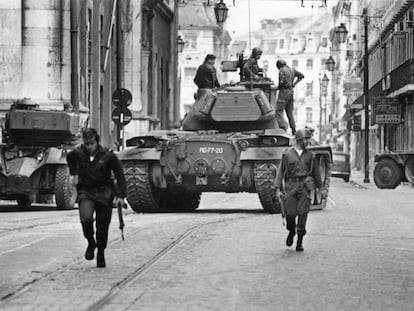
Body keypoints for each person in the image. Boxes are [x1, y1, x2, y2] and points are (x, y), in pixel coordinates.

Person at [66, 128, 127, 268]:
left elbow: (120, 175)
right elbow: (69, 158)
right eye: (86, 143)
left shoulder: (108, 156)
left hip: (104, 193)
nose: (89, 146)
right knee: (86, 219)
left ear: (97, 141)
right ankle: (91, 242)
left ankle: (100, 251)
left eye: (91, 143)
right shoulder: (78, 153)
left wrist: (120, 195)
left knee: (102, 228)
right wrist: (73, 174)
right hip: (86, 192)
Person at [274, 128, 322, 252]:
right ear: (299, 140)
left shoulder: (310, 155)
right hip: (290, 186)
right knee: (290, 214)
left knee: (303, 213)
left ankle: (300, 241)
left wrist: (319, 188)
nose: (308, 141)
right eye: (306, 139)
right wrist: (278, 188)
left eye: (308, 139)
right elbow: (280, 172)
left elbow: (316, 173)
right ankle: (291, 231)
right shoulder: (287, 154)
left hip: (304, 186)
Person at [275, 59, 304, 135]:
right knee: (289, 113)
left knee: (278, 110)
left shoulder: (282, 70)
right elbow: (301, 76)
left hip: (284, 92)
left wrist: (277, 88)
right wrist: (294, 84)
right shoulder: (292, 69)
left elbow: (281, 82)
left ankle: (283, 126)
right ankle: (294, 130)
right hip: (291, 92)